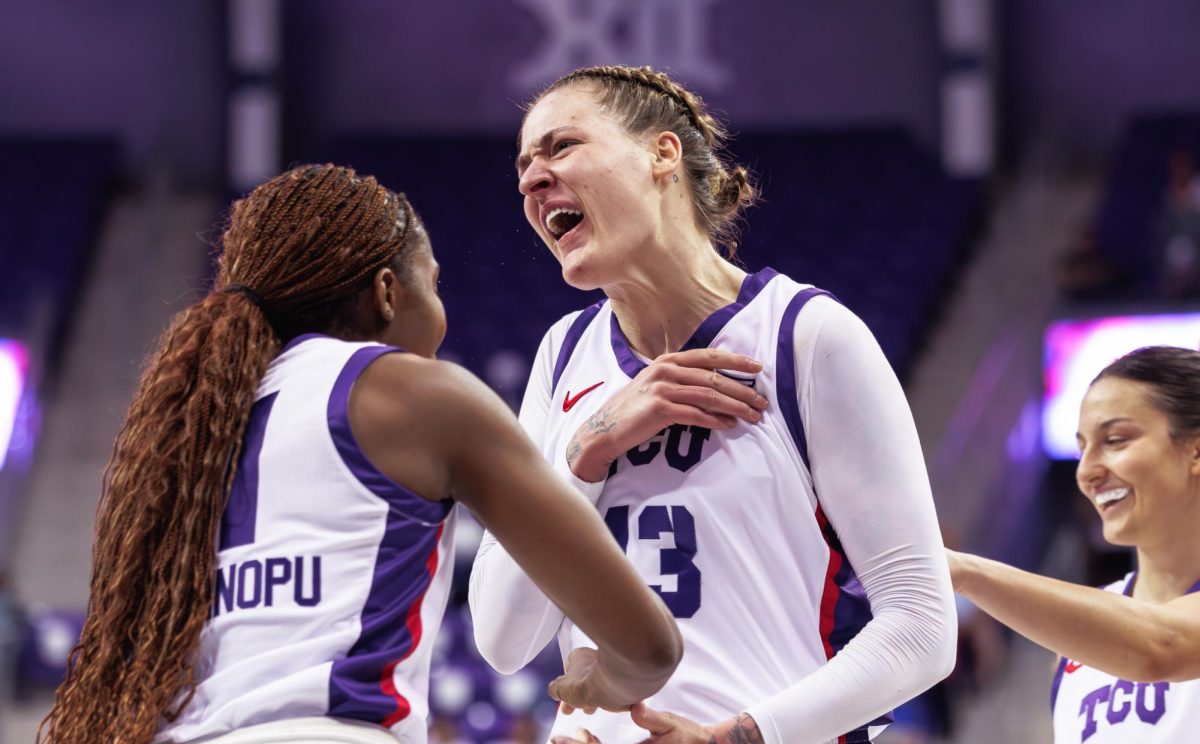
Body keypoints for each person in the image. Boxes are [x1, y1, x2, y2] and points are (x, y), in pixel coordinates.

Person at [38, 164, 682, 744]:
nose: (443, 316)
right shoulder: (411, 394)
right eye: (432, 287)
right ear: (386, 293)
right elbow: (648, 645)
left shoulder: (191, 426)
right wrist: (608, 684)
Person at [469, 65, 957, 744]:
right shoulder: (564, 354)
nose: (530, 179)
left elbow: (922, 628)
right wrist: (586, 452)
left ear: (661, 153)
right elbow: (502, 638)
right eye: (523, 164)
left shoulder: (806, 336)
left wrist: (740, 737)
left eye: (561, 147)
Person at [948, 345, 1200, 742]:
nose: (1087, 472)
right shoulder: (1072, 648)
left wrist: (964, 571)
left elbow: (1161, 645)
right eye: (1082, 448)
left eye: (1115, 440)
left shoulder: (1146, 639)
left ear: (1195, 449)